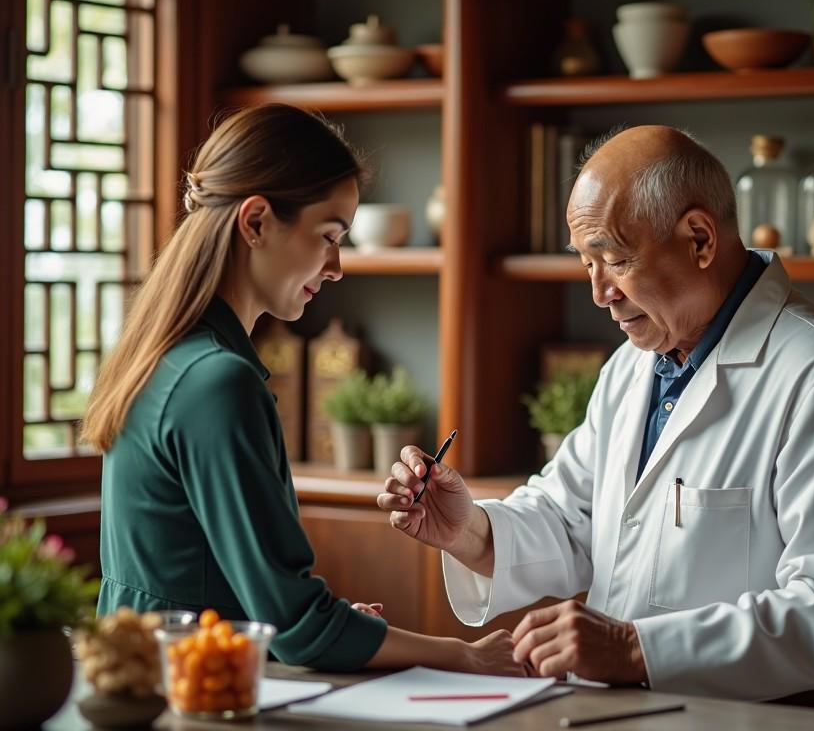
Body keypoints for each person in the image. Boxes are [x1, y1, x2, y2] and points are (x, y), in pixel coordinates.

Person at [377, 125, 814, 699]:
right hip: (619, 709)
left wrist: (635, 649)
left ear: (700, 239)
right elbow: (569, 518)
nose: (599, 292)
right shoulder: (633, 367)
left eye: (615, 260)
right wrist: (471, 532)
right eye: (586, 264)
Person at [82, 103, 521, 676]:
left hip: (149, 678)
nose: (337, 266)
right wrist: (467, 654)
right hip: (197, 693)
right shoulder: (218, 383)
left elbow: (220, 591)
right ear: (257, 221)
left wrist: (335, 627)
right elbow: (298, 629)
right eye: (328, 235)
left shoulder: (161, 357)